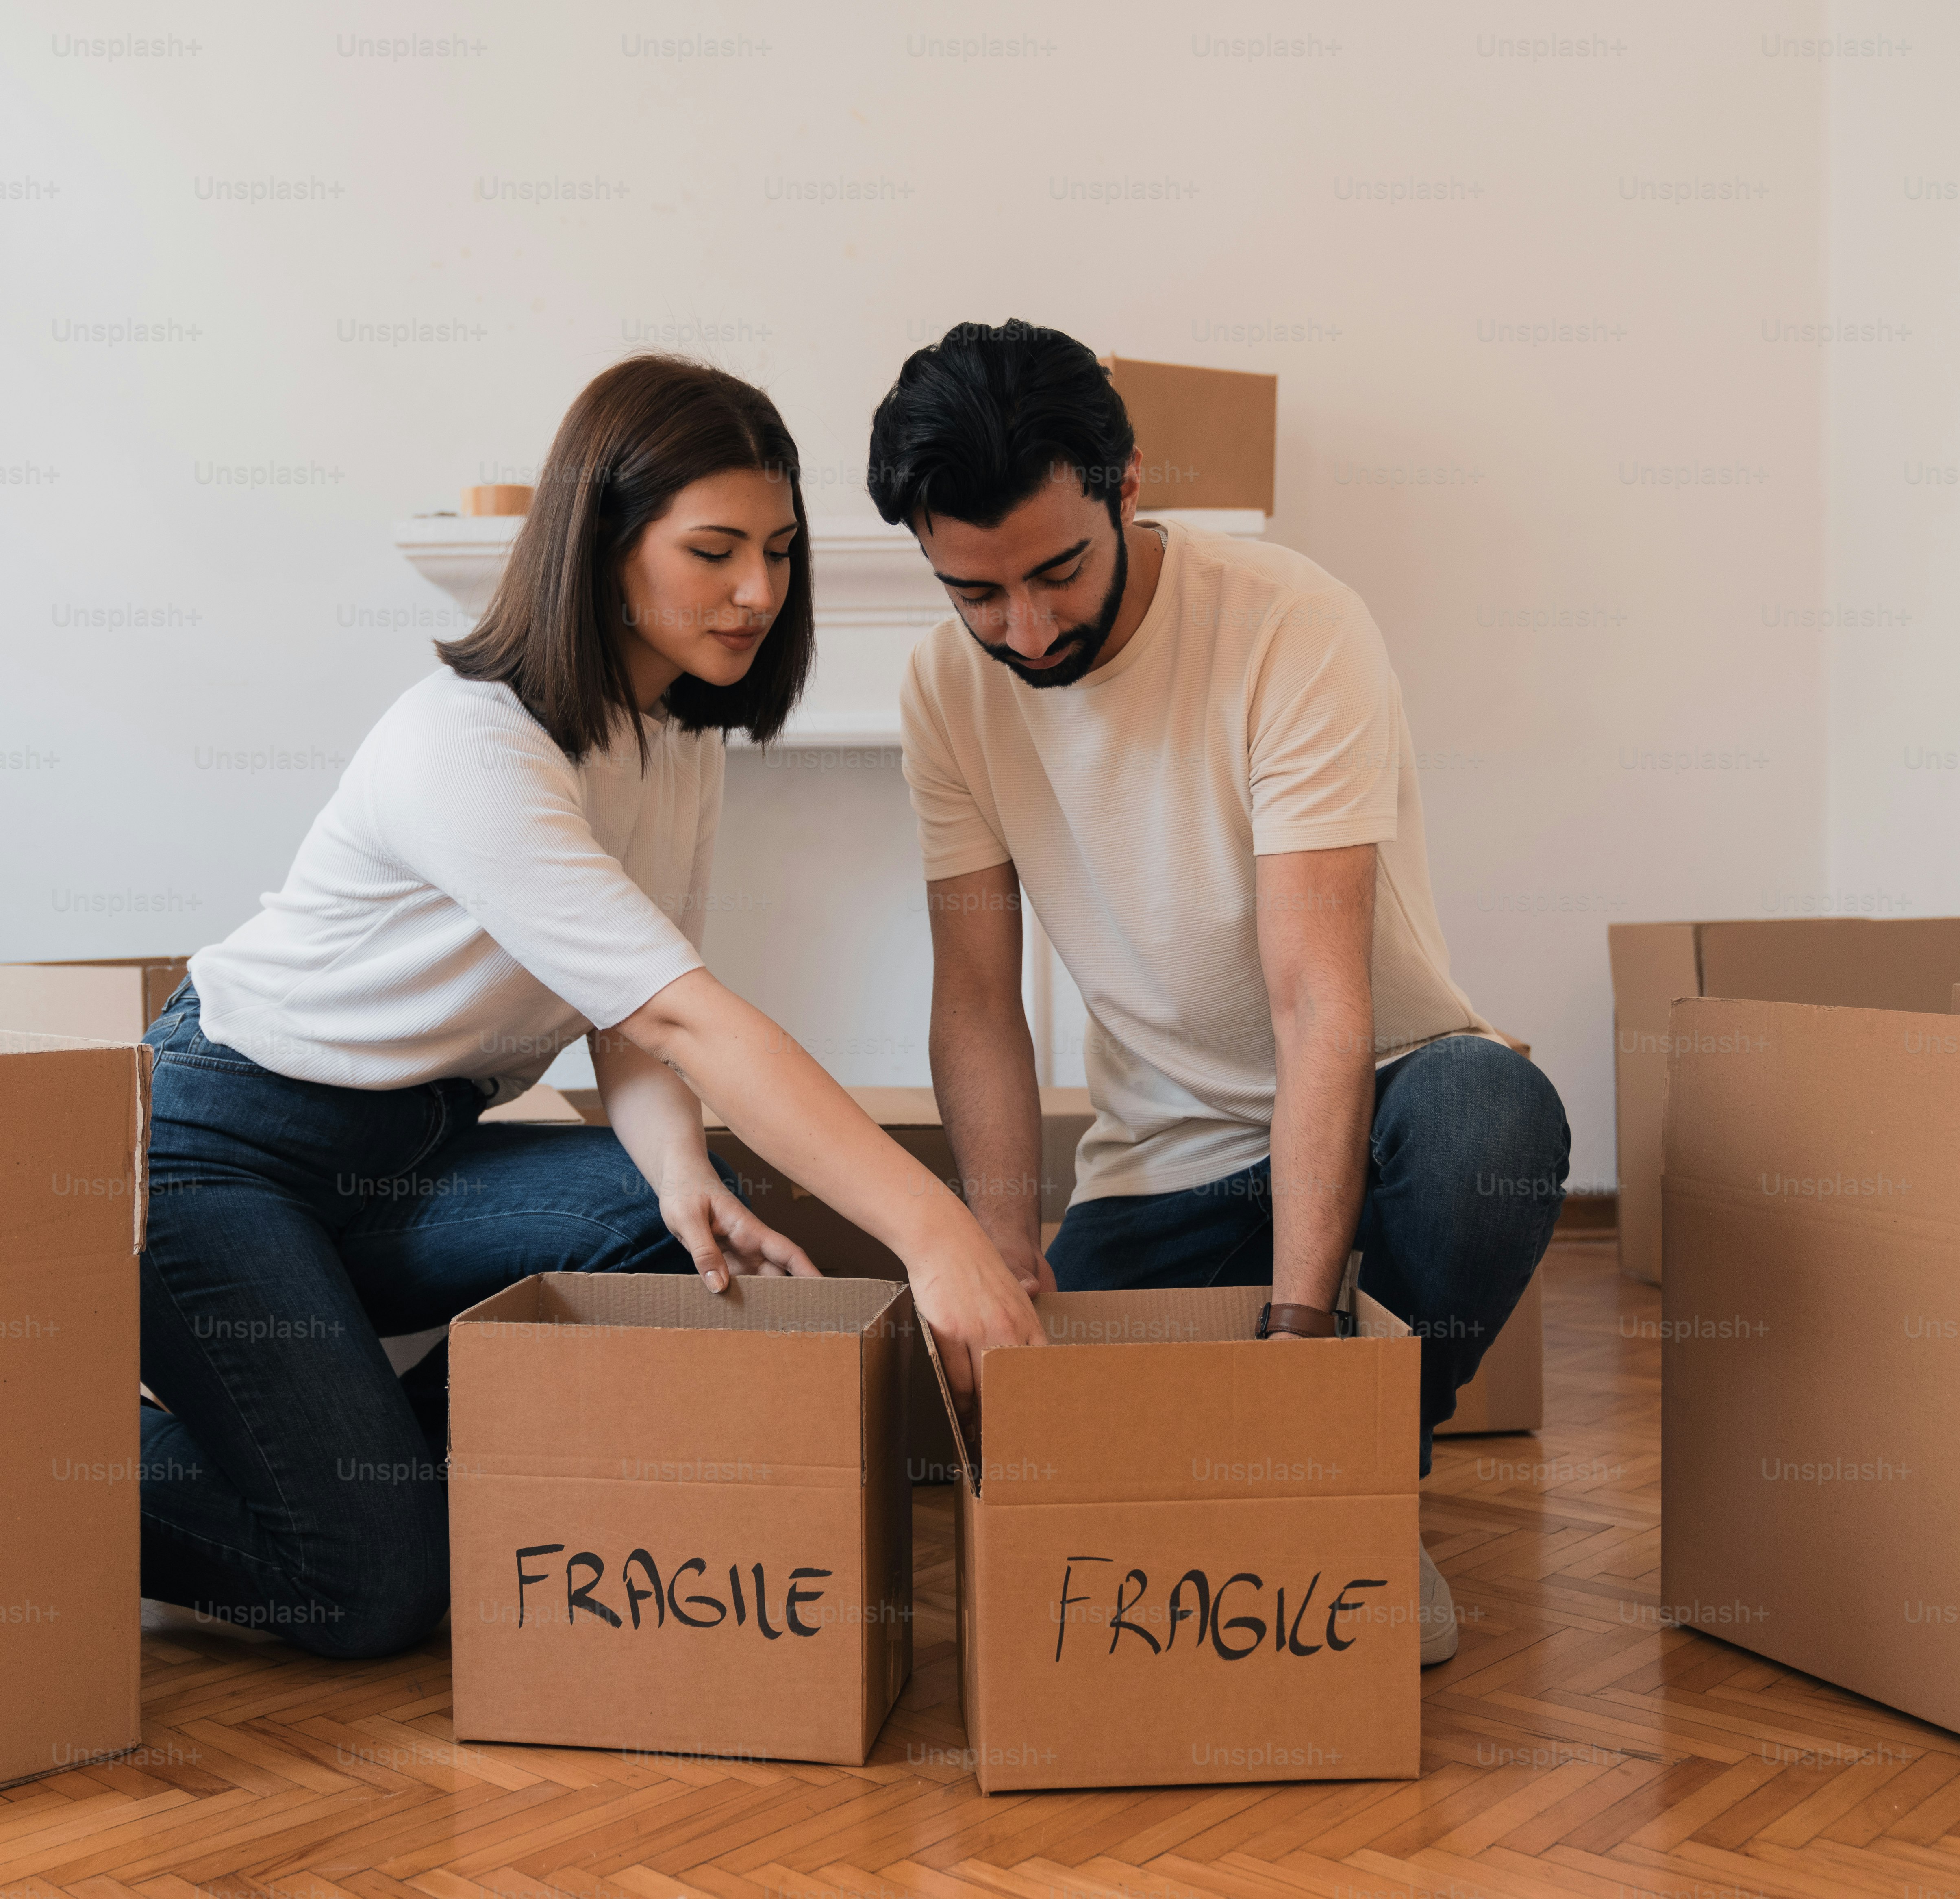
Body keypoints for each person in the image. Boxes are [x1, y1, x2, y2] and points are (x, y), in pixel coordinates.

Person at [139, 355, 1042, 1658]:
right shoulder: (471, 747)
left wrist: (679, 1173)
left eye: (781, 552)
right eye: (715, 550)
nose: (758, 592)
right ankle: (53, 1460)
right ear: (604, 545)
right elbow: (688, 1018)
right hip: (214, 1156)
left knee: (693, 1242)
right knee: (373, 1588)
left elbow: (626, 1018)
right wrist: (941, 1236)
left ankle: (347, 1468)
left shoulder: (675, 736)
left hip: (403, 1164)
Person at [869, 319, 1572, 1667]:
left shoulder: (1289, 626)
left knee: (1496, 1118)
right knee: (1084, 1462)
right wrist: (1005, 1238)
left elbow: (1317, 998)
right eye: (976, 595)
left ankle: (1364, 1485)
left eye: (1058, 572)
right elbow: (976, 1001)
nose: (1027, 629)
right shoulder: (944, 691)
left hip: (1381, 1107)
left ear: (1129, 485)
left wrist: (1303, 1343)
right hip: (1167, 1166)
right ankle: (1288, 1463)